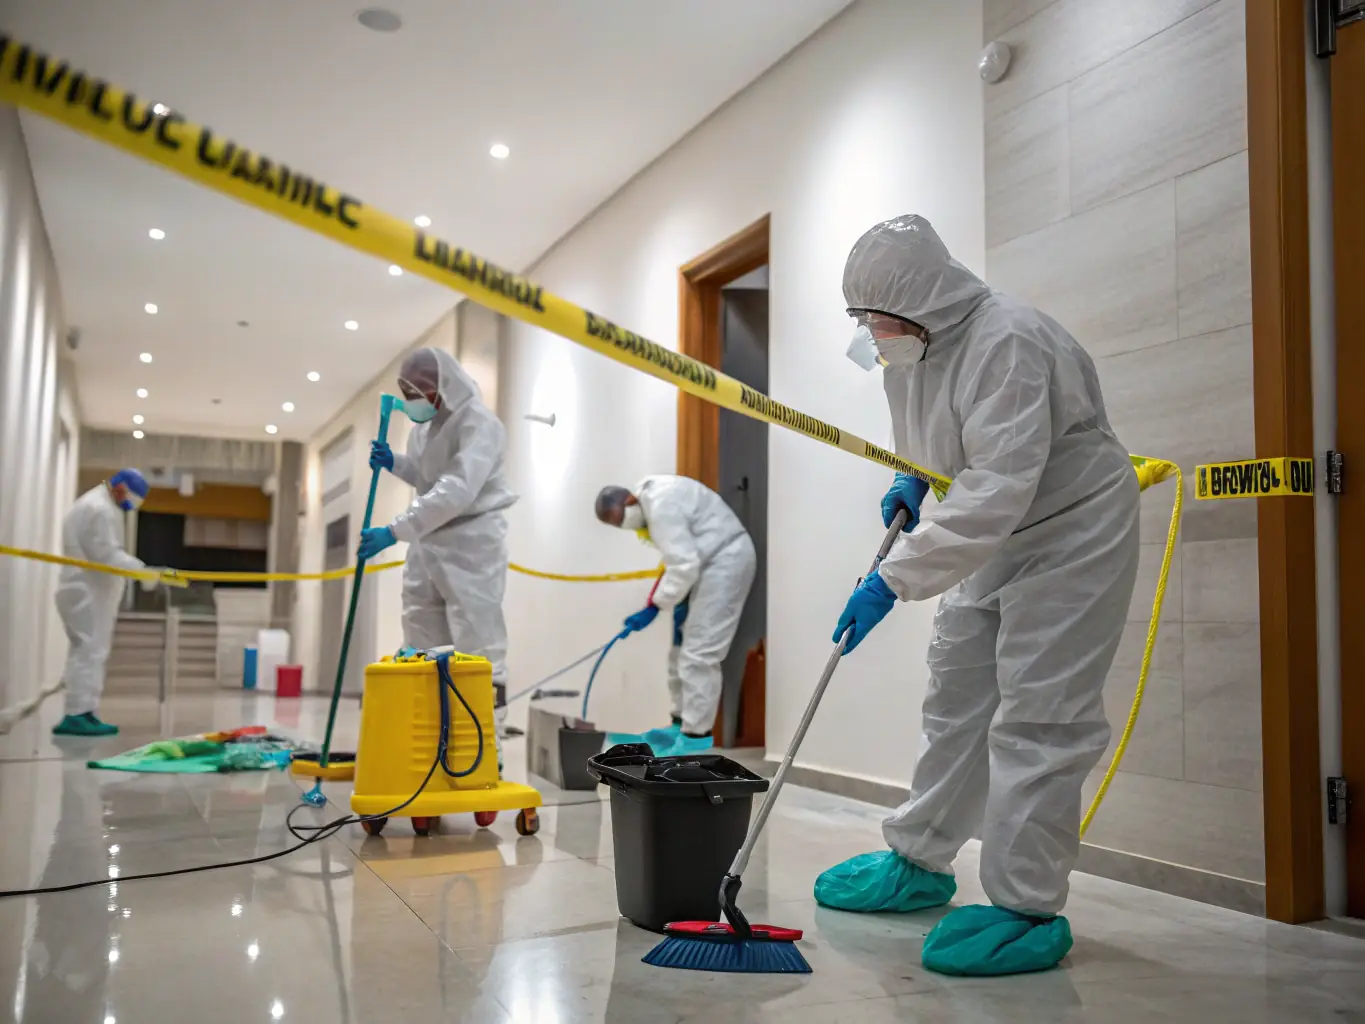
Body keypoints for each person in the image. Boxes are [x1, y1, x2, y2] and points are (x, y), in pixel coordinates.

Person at [818, 215, 1139, 977]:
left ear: (924, 297)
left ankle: (1025, 905)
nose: (869, 330)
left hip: (1068, 530)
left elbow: (1000, 480)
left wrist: (892, 579)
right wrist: (915, 475)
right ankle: (920, 859)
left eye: (877, 315)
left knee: (1039, 714)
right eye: (859, 316)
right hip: (992, 533)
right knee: (955, 697)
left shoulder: (1008, 340)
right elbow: (942, 445)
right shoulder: (913, 348)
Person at [362, 347, 518, 741]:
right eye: (406, 389)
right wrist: (395, 463)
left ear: (444, 385)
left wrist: (393, 531)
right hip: (429, 541)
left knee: (476, 643)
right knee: (419, 636)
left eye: (418, 389)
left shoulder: (479, 422)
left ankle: (486, 744)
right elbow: (427, 477)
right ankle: (429, 737)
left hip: (471, 541)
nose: (411, 397)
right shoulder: (423, 430)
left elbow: (456, 489)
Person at [594, 476, 756, 757]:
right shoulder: (653, 498)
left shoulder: (659, 505)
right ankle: (680, 724)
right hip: (706, 566)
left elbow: (684, 565)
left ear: (629, 500)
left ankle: (695, 738)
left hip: (725, 561)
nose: (624, 525)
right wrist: (668, 600)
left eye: (620, 518)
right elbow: (681, 561)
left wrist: (655, 606)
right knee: (679, 651)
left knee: (699, 654)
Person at [52, 469, 151, 737]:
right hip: (85, 592)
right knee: (88, 651)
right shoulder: (99, 509)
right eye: (130, 499)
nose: (129, 505)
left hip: (90, 591)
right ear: (119, 487)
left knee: (93, 652)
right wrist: (145, 571)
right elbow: (107, 555)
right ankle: (76, 714)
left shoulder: (101, 505)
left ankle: (86, 711)